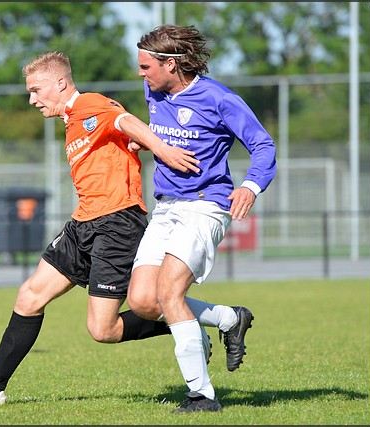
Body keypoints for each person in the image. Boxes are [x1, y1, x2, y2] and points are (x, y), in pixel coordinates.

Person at [0, 50, 210, 407]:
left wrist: (163, 149)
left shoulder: (90, 104)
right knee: (29, 296)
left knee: (104, 330)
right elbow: (122, 138)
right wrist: (140, 146)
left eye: (36, 90)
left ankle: (189, 326)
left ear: (61, 83)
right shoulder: (71, 121)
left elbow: (125, 121)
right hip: (82, 223)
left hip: (117, 223)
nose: (32, 100)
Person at [126, 25, 277, 413]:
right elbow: (162, 133)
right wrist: (141, 141)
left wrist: (250, 186)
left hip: (205, 205)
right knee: (143, 301)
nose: (140, 74)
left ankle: (202, 396)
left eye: (146, 66)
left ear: (171, 64)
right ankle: (229, 319)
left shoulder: (219, 98)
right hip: (165, 207)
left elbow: (263, 145)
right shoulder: (154, 90)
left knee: (170, 294)